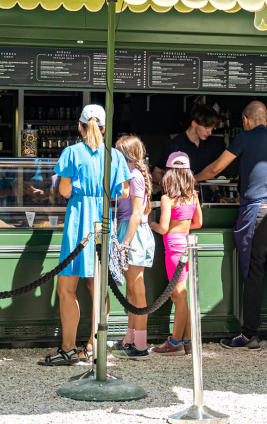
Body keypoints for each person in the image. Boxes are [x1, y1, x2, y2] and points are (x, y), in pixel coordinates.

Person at [195, 101, 267, 350]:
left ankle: (249, 334)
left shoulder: (245, 137)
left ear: (245, 120)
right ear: (266, 120)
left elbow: (216, 168)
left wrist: (191, 178)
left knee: (253, 275)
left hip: (258, 215)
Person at [38, 104, 131, 366]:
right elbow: (123, 192)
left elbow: (65, 190)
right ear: (103, 129)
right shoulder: (115, 156)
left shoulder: (71, 153)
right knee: (98, 287)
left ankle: (68, 349)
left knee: (67, 286)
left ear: (80, 126)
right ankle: (93, 347)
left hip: (78, 221)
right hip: (102, 222)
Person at [148, 151, 203, 355]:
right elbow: (198, 223)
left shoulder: (167, 198)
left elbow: (162, 228)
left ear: (169, 174)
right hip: (186, 244)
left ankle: (175, 342)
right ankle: (188, 341)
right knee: (180, 295)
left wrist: (150, 223)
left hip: (173, 247)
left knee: (178, 295)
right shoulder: (193, 196)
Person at [111, 135, 156, 360]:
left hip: (133, 235)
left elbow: (137, 214)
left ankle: (140, 344)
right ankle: (130, 339)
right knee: (131, 291)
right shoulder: (132, 175)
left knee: (137, 291)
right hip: (129, 232)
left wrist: (125, 243)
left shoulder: (135, 176)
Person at [152, 104, 220, 186]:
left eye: (212, 128)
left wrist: (217, 192)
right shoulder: (175, 145)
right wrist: (175, 187)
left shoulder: (210, 145)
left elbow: (211, 176)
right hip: (181, 197)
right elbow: (156, 174)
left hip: (206, 197)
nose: (210, 132)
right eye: (206, 128)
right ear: (194, 123)